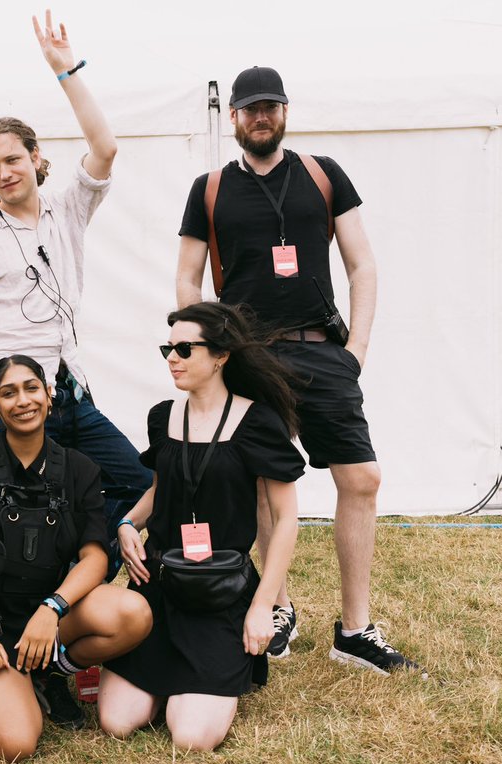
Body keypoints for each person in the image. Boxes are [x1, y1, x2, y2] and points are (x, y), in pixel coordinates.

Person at [174, 66, 423, 674]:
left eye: (271, 106)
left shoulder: (323, 174)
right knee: (265, 483)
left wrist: (355, 350)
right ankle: (278, 606)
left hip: (322, 349)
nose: (261, 117)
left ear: (284, 112)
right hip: (250, 355)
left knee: (360, 478)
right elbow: (187, 277)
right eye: (250, 108)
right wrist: (205, 351)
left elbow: (362, 265)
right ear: (234, 117)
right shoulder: (209, 189)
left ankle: (355, 630)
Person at [0, 11, 154, 724]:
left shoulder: (68, 209)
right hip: (6, 397)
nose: (4, 173)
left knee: (136, 487)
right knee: (13, 527)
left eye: (12, 159)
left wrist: (65, 69)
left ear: (36, 159)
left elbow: (106, 145)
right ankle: (16, 654)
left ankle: (69, 641)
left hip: (68, 391)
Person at [99, 302, 304, 751]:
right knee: (116, 721)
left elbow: (286, 518)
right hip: (158, 585)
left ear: (221, 356)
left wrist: (263, 607)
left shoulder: (257, 421)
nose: (172, 359)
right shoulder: (162, 417)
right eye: (168, 349)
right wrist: (128, 524)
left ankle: (202, 682)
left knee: (191, 738)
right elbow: (160, 491)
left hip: (220, 591)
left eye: (185, 349)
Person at [0, 355, 152, 762]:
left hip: (46, 618)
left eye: (32, 388)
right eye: (8, 393)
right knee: (14, 744)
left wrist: (53, 608)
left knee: (133, 613)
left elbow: (94, 556)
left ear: (50, 396)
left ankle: (47, 671)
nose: (23, 401)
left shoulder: (80, 469)